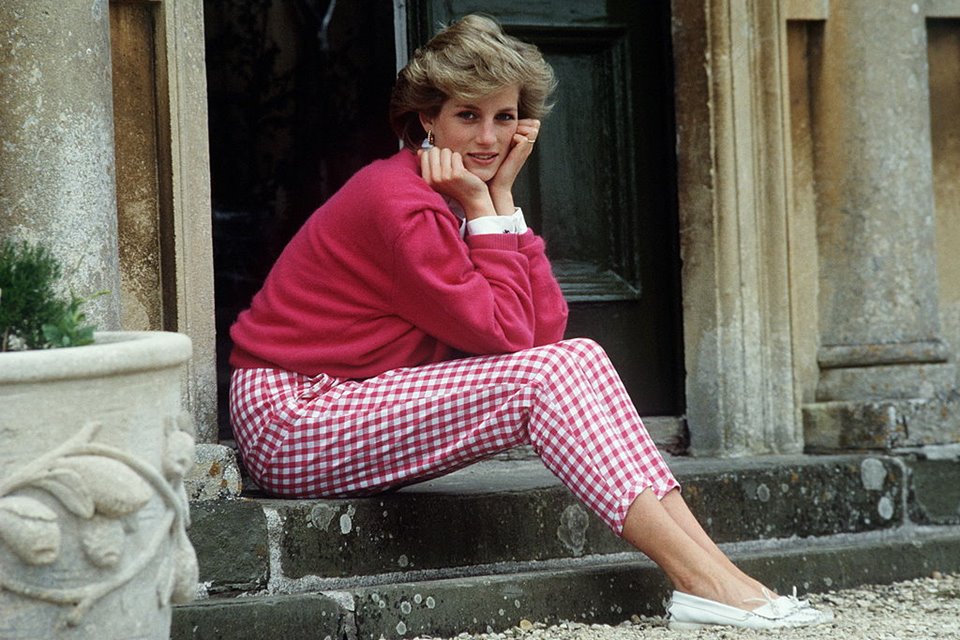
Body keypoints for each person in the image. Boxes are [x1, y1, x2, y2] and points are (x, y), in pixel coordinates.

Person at [228, 14, 830, 631]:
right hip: (293, 417)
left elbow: (545, 331)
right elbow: (510, 340)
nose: (489, 139)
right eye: (468, 116)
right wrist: (485, 206)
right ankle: (701, 581)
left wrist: (502, 201)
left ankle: (722, 576)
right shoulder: (399, 204)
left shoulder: (461, 193)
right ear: (426, 120)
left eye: (505, 117)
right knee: (546, 376)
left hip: (350, 401)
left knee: (581, 357)